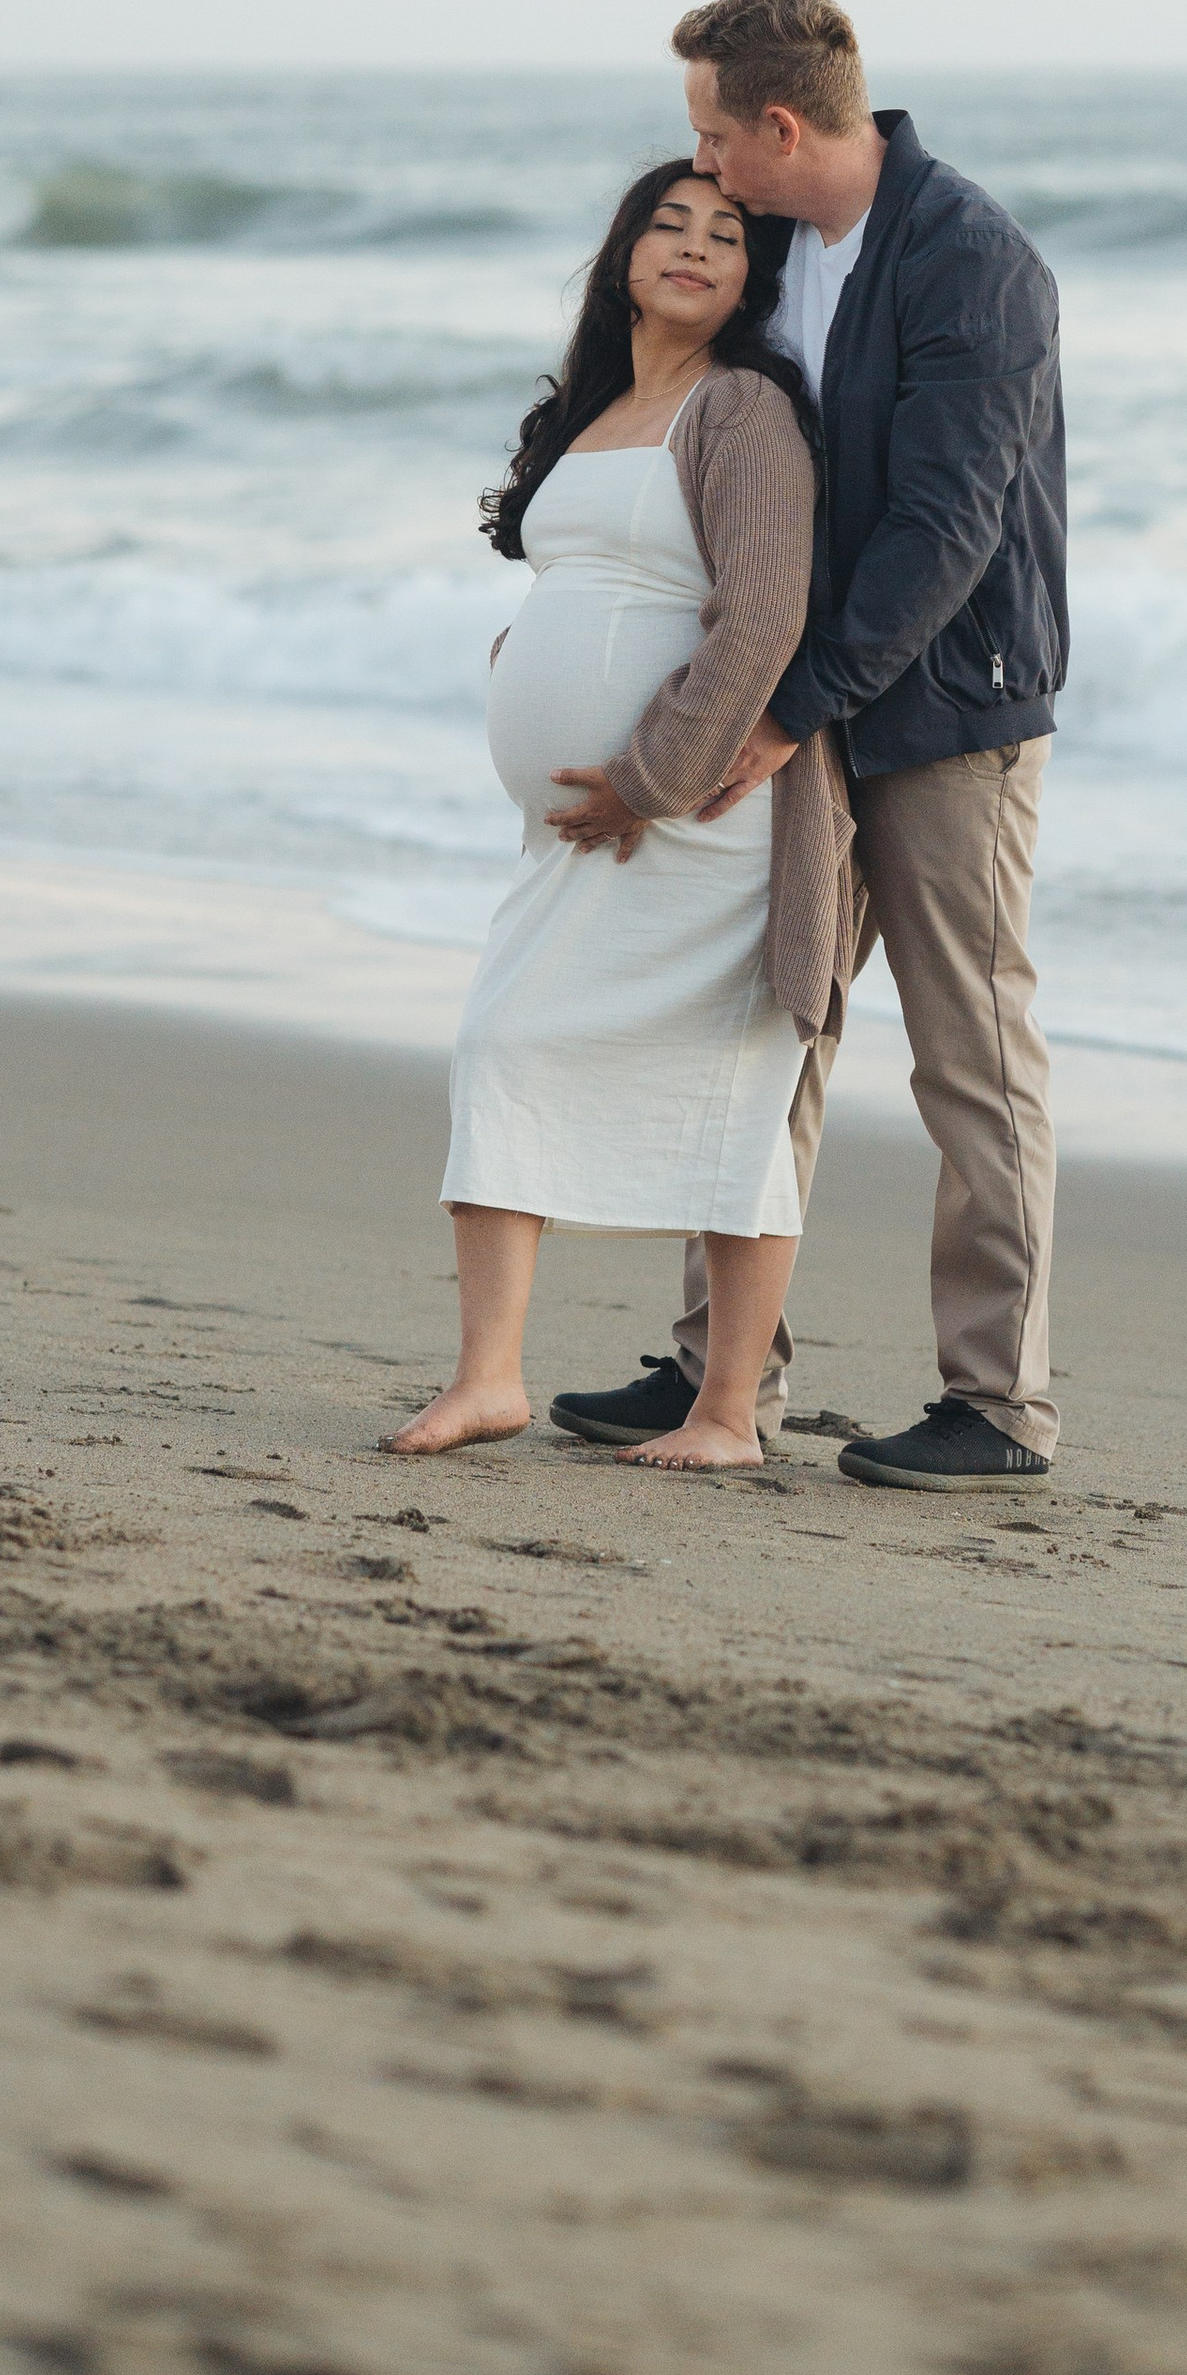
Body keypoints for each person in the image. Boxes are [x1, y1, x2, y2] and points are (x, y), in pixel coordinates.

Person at [549, 0, 1068, 1492]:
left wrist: (789, 707)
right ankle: (726, 1373)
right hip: (813, 704)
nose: (700, 163)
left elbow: (943, 531)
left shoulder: (972, 263)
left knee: (973, 1057)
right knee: (770, 1031)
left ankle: (1001, 1405)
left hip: (946, 715)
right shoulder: (774, 249)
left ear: (782, 125)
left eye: (713, 130)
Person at [385, 161, 856, 1470]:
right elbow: (599, 576)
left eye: (726, 235)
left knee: (731, 1105)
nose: (697, 249)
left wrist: (650, 775)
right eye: (671, 225)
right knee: (502, 1048)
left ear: (755, 275)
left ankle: (724, 1417)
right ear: (623, 253)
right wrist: (524, 657)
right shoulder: (597, 408)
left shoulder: (744, 406)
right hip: (580, 832)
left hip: (701, 823)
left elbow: (765, 615)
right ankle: (489, 1378)